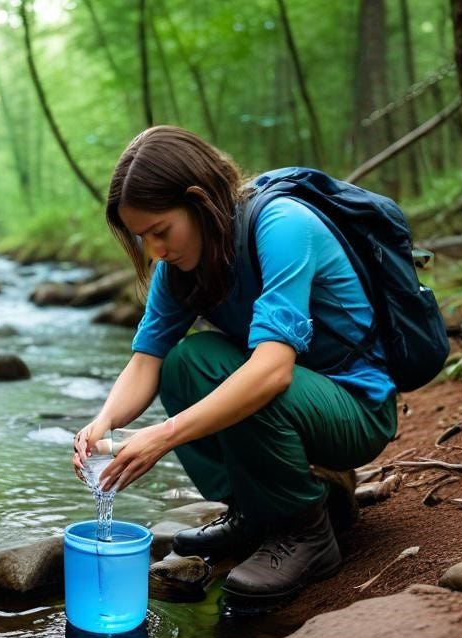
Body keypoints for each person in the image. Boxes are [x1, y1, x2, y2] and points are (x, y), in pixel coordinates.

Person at [72, 125, 397, 611]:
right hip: (295, 401)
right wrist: (105, 421)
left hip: (355, 408)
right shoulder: (178, 268)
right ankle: (254, 510)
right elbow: (146, 362)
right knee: (186, 361)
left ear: (199, 200)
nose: (155, 250)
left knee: (251, 382)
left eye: (161, 231)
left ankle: (306, 534)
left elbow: (271, 373)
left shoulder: (282, 226)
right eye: (143, 238)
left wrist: (161, 436)